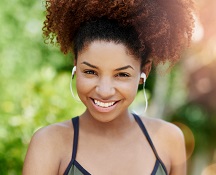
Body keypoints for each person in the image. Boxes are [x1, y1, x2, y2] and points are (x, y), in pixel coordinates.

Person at [23, 0, 195, 174]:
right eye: (90, 72)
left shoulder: (169, 139)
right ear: (75, 65)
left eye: (122, 75)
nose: (104, 91)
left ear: (144, 72)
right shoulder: (49, 143)